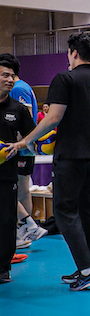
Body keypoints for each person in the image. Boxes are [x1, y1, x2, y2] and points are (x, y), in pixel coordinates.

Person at [9, 33, 90, 290]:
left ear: (74, 53)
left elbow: (53, 118)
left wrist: (25, 141)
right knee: (86, 210)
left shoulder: (65, 78)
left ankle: (87, 270)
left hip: (71, 155)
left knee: (64, 212)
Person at [0, 55, 36, 284]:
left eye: (12, 76)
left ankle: (3, 268)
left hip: (6, 175)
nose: (10, 79)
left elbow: (32, 137)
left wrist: (20, 145)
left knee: (6, 222)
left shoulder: (18, 109)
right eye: (5, 75)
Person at [6, 59, 42, 246]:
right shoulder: (21, 87)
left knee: (21, 189)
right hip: (20, 148)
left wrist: (18, 145)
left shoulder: (19, 88)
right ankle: (25, 230)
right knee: (20, 189)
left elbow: (23, 119)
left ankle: (25, 232)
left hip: (21, 150)